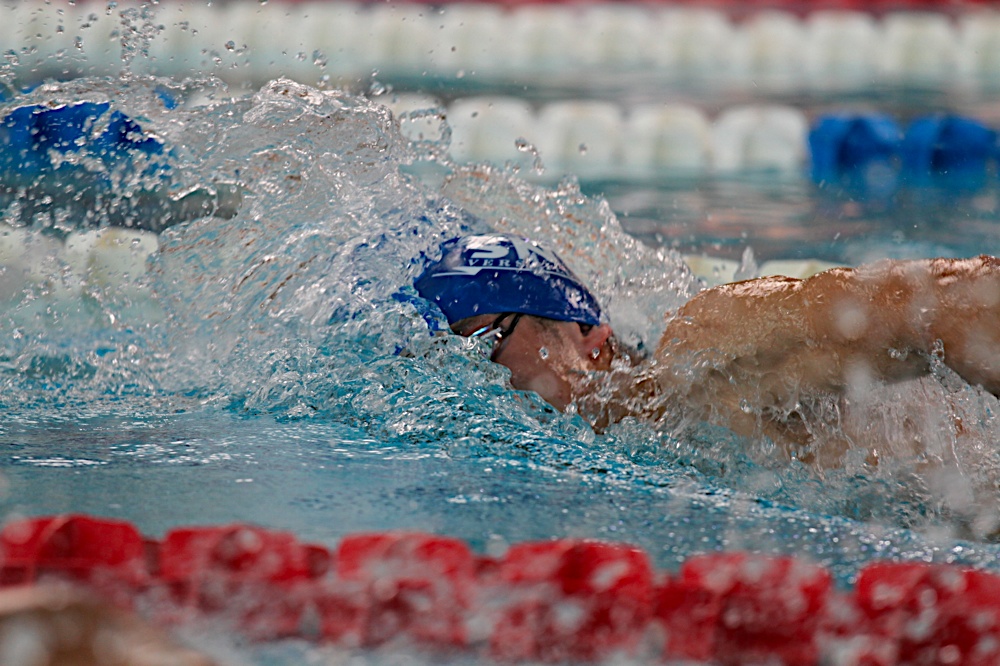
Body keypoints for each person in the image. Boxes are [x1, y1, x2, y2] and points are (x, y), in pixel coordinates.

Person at [415, 233, 1000, 467]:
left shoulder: (708, 352)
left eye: (483, 342)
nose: (464, 378)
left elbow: (952, 300)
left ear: (587, 335)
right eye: (440, 359)